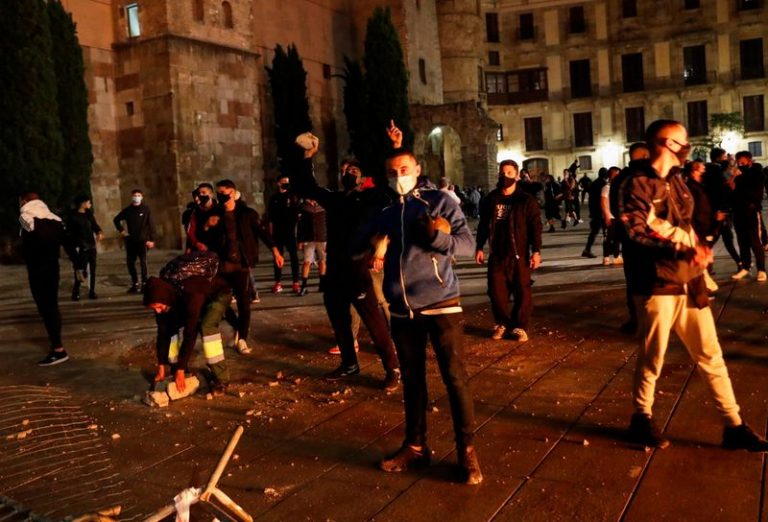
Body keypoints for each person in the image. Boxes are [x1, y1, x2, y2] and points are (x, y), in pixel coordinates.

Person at [620, 119, 768, 452]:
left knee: (711, 354)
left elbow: (687, 220)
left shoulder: (678, 180)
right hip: (659, 281)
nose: (687, 147)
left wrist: (701, 242)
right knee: (652, 355)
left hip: (690, 280)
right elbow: (637, 231)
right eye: (682, 141)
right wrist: (683, 247)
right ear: (665, 143)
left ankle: (734, 424)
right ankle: (641, 417)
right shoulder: (636, 184)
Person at [368, 146, 482, 485]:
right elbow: (366, 241)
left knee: (455, 378)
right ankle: (415, 447)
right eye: (392, 171)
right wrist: (373, 244)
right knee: (413, 381)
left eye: (404, 168)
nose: (398, 175)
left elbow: (466, 244)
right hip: (402, 308)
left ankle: (467, 451)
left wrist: (437, 237)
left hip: (442, 302)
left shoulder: (440, 201)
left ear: (417, 169)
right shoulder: (385, 209)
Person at [290, 134, 400, 391]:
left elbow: (393, 191)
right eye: (344, 170)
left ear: (363, 176)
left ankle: (392, 368)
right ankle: (349, 363)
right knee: (339, 320)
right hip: (335, 268)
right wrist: (307, 157)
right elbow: (307, 187)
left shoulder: (373, 198)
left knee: (374, 321)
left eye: (353, 170)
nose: (347, 173)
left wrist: (396, 148)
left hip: (359, 266)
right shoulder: (336, 199)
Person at [213, 179, 284, 354]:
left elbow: (262, 233)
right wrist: (209, 226)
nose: (220, 196)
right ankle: (238, 326)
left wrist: (275, 251)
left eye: (223, 193)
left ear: (232, 193)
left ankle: (242, 338)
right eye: (218, 193)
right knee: (218, 301)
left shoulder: (247, 214)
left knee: (244, 302)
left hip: (241, 264)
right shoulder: (216, 214)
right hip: (222, 265)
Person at [475, 160, 542, 343]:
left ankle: (520, 326)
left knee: (522, 291)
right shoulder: (491, 199)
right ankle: (502, 323)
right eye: (502, 173)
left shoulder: (526, 200)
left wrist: (536, 251)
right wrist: (479, 246)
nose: (505, 176)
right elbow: (483, 225)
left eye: (510, 173)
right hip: (497, 254)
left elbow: (536, 226)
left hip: (519, 254)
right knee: (496, 292)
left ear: (517, 175)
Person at [143, 263, 232, 396]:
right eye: (154, 308)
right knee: (170, 326)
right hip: (197, 298)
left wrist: (180, 370)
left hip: (218, 295)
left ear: (163, 298)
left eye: (158, 306)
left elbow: (190, 333)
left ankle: (221, 378)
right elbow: (163, 332)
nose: (157, 311)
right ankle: (177, 367)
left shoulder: (190, 294)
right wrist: (161, 366)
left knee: (206, 327)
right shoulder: (163, 296)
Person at [19, 192, 81, 366]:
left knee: (45, 307)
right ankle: (57, 345)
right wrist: (78, 264)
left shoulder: (26, 217)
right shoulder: (55, 219)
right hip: (53, 268)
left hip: (37, 269)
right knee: (51, 306)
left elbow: (29, 238)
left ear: (25, 201)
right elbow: (68, 244)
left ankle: (58, 349)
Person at [611, 142, 650, 334]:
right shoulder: (650, 177)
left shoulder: (620, 179)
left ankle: (636, 320)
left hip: (628, 239)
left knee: (633, 279)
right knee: (652, 277)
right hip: (651, 238)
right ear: (644, 156)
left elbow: (614, 209)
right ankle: (654, 320)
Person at [730, 151, 766, 281]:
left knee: (755, 241)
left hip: (751, 212)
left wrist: (752, 205)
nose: (740, 164)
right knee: (742, 241)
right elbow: (731, 189)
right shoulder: (738, 176)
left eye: (742, 162)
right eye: (738, 162)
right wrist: (734, 177)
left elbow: (757, 193)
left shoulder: (757, 173)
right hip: (738, 213)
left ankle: (761, 270)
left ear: (750, 161)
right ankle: (745, 267)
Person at [113, 188, 154, 293]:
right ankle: (135, 283)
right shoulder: (128, 210)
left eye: (138, 195)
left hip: (143, 240)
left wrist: (151, 239)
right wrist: (122, 231)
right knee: (130, 262)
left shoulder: (146, 209)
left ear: (142, 197)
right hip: (131, 240)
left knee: (143, 262)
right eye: (135, 195)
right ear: (132, 197)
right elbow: (116, 219)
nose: (136, 197)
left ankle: (145, 283)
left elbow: (150, 225)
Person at [268, 175, 301, 293]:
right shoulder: (274, 198)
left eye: (287, 182)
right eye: (284, 182)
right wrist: (271, 235)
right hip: (278, 233)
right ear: (278, 183)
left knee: (294, 258)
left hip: (290, 233)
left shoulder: (293, 197)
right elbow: (270, 218)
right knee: (277, 258)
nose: (286, 184)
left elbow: (298, 214)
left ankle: (296, 283)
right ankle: (278, 283)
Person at [67, 195, 103, 300]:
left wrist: (99, 232)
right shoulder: (73, 217)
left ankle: (92, 291)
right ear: (83, 203)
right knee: (80, 270)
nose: (90, 204)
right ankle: (76, 291)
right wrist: (75, 246)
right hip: (81, 246)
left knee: (92, 269)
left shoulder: (88, 214)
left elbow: (95, 225)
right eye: (88, 202)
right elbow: (70, 233)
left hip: (91, 245)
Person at [296, 198, 327, 296]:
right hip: (308, 238)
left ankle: (322, 284)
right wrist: (300, 240)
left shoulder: (324, 206)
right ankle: (304, 286)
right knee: (306, 262)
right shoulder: (303, 207)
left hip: (322, 236)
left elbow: (329, 222)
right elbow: (300, 225)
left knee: (322, 260)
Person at [582, 168, 608, 258]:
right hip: (601, 212)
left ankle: (587, 249)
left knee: (594, 232)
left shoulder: (594, 183)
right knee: (605, 232)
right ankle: (607, 252)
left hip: (595, 211)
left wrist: (591, 211)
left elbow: (590, 199)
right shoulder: (604, 184)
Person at [601, 166, 623, 265]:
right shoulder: (607, 187)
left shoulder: (615, 187)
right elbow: (603, 201)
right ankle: (606, 257)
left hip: (616, 216)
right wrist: (607, 215)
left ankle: (616, 256)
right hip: (610, 216)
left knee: (617, 237)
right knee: (608, 238)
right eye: (617, 174)